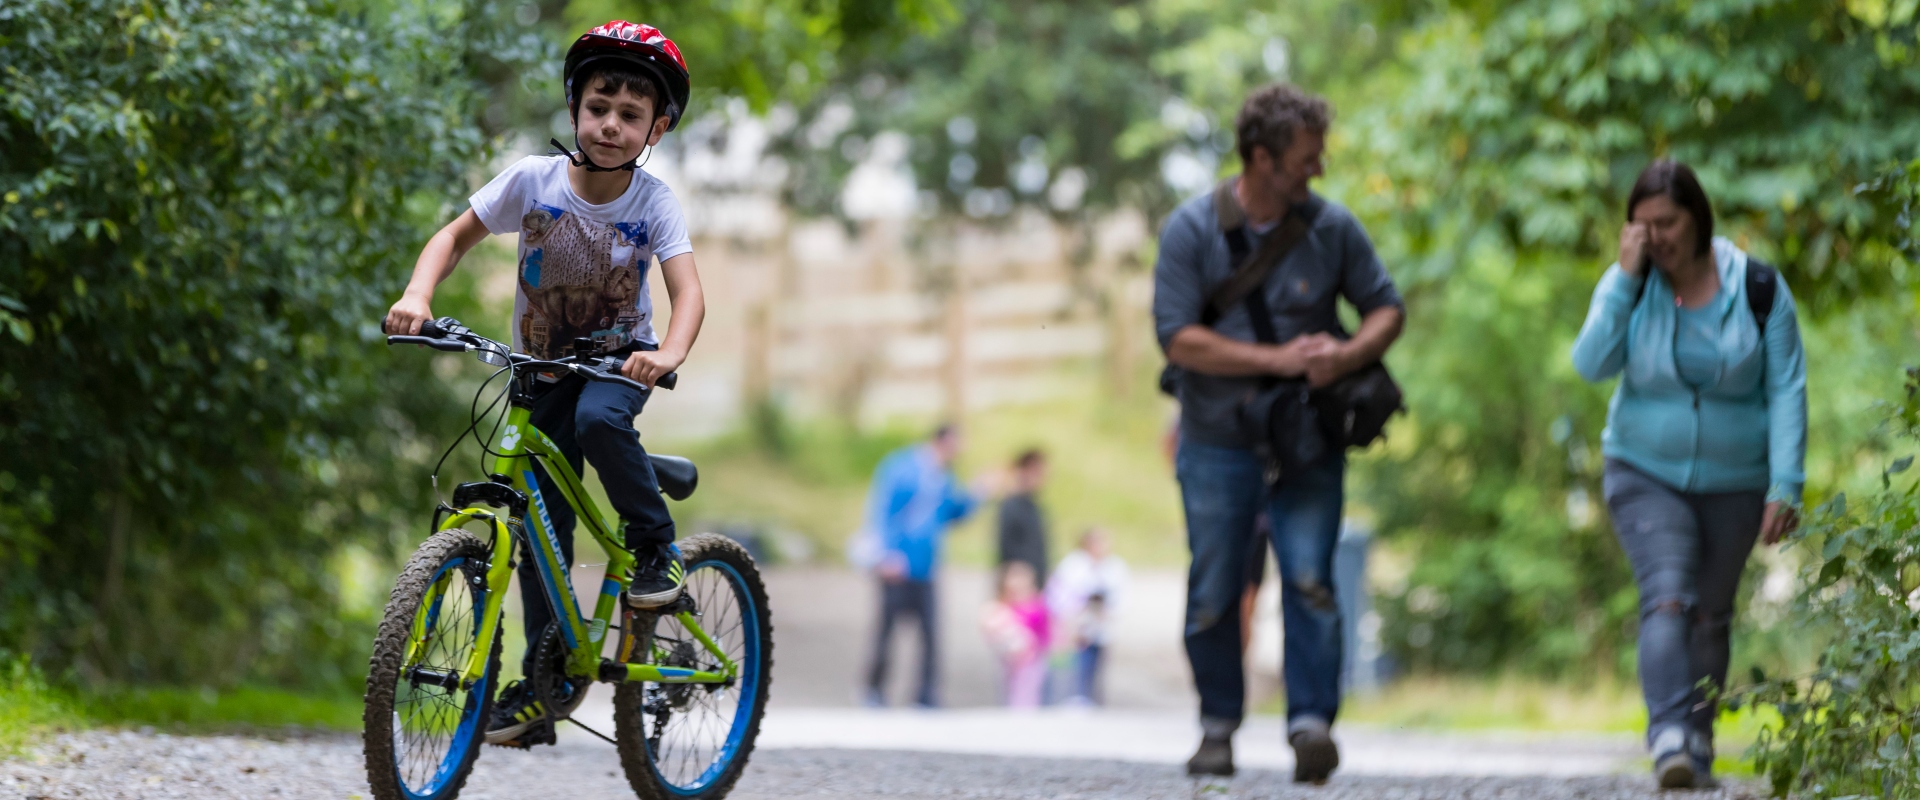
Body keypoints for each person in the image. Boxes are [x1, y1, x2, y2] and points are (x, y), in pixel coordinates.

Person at [380, 20, 703, 747]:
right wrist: (418, 297)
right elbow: (453, 237)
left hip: (617, 366)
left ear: (658, 125)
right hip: (538, 372)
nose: (611, 125)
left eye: (629, 114)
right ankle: (545, 685)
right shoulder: (533, 179)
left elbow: (689, 295)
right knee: (537, 526)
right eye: (598, 107)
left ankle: (656, 548)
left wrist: (668, 354)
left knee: (598, 424)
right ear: (573, 110)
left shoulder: (652, 203)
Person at [1152, 83, 1404, 783]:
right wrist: (1277, 359)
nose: (1316, 171)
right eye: (1304, 160)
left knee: (1311, 580)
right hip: (1215, 437)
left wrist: (1347, 357)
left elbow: (1387, 308)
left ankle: (1311, 724)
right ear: (1260, 158)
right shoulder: (1192, 230)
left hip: (1307, 437)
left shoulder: (1333, 228)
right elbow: (1178, 340)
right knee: (1214, 587)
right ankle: (1217, 725)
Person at [1572, 159, 1806, 789]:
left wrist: (1787, 482)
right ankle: (1669, 735)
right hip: (1644, 469)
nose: (1657, 238)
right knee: (1669, 597)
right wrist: (1623, 280)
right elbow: (1590, 362)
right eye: (1642, 226)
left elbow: (1786, 385)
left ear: (1697, 218)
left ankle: (1696, 746)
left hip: (1736, 478)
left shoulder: (1756, 287)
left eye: (1667, 223)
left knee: (1711, 615)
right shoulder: (1630, 284)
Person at [861, 425, 981, 708]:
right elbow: (882, 509)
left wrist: (976, 494)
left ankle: (926, 694)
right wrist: (886, 553)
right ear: (942, 441)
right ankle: (874, 689)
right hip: (896, 564)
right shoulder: (901, 467)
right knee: (886, 630)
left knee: (930, 632)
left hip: (925, 566)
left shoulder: (945, 477)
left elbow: (953, 513)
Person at [1046, 527, 1129, 705]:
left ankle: (1093, 699)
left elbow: (1121, 596)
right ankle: (1070, 698)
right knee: (1072, 666)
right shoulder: (1072, 566)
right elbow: (1059, 594)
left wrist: (1108, 610)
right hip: (1076, 625)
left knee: (1097, 666)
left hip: (1101, 624)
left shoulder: (1115, 566)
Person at [981, 561, 1051, 708]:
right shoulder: (1002, 606)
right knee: (1008, 689)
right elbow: (990, 626)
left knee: (1028, 690)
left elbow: (1044, 631)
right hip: (1008, 658)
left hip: (1032, 658)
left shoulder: (1035, 606)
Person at [996, 449, 1051, 587]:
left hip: (1034, 585)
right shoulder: (1011, 506)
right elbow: (1007, 549)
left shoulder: (1034, 506)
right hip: (1019, 586)